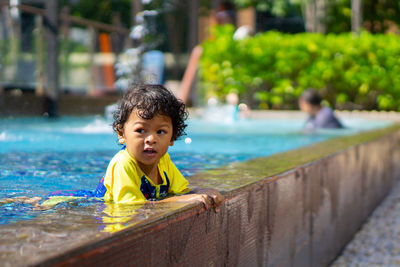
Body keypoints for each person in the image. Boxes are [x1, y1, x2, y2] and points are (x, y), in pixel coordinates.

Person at [100, 84, 222, 207]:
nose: (151, 139)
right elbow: (131, 208)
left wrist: (200, 191)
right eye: (140, 130)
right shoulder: (123, 164)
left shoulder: (163, 161)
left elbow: (181, 192)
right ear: (121, 134)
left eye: (160, 132)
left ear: (172, 138)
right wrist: (178, 201)